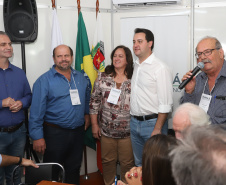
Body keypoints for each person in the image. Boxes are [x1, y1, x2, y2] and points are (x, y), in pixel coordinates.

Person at [29, 44, 90, 185]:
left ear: (72, 57)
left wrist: (86, 114)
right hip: (54, 134)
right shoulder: (43, 81)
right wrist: (37, 137)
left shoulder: (80, 78)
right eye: (59, 56)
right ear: (54, 58)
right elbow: (36, 112)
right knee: (53, 172)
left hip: (77, 133)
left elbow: (86, 98)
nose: (64, 59)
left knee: (74, 169)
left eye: (67, 55)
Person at [90, 45, 134, 185]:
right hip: (106, 131)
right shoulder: (103, 77)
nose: (117, 58)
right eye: (115, 55)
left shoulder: (135, 77)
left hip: (128, 132)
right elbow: (94, 102)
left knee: (127, 163)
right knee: (107, 162)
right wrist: (94, 125)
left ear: (127, 59)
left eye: (121, 56)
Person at [130, 28, 173, 166]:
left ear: (150, 43)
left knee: (155, 166)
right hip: (134, 123)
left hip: (153, 124)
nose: (135, 45)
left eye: (140, 41)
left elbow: (166, 103)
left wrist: (158, 128)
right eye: (134, 42)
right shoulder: (136, 65)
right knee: (139, 165)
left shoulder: (160, 68)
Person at [0, 31, 32, 185]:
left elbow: (28, 95)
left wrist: (22, 103)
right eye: (3, 44)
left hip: (19, 133)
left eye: (10, 44)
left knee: (15, 175)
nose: (9, 47)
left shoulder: (19, 73)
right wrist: (1, 103)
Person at [180, 36, 226, 124]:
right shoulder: (197, 80)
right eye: (199, 54)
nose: (202, 57)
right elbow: (185, 114)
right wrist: (189, 92)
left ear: (220, 53)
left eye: (207, 52)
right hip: (198, 135)